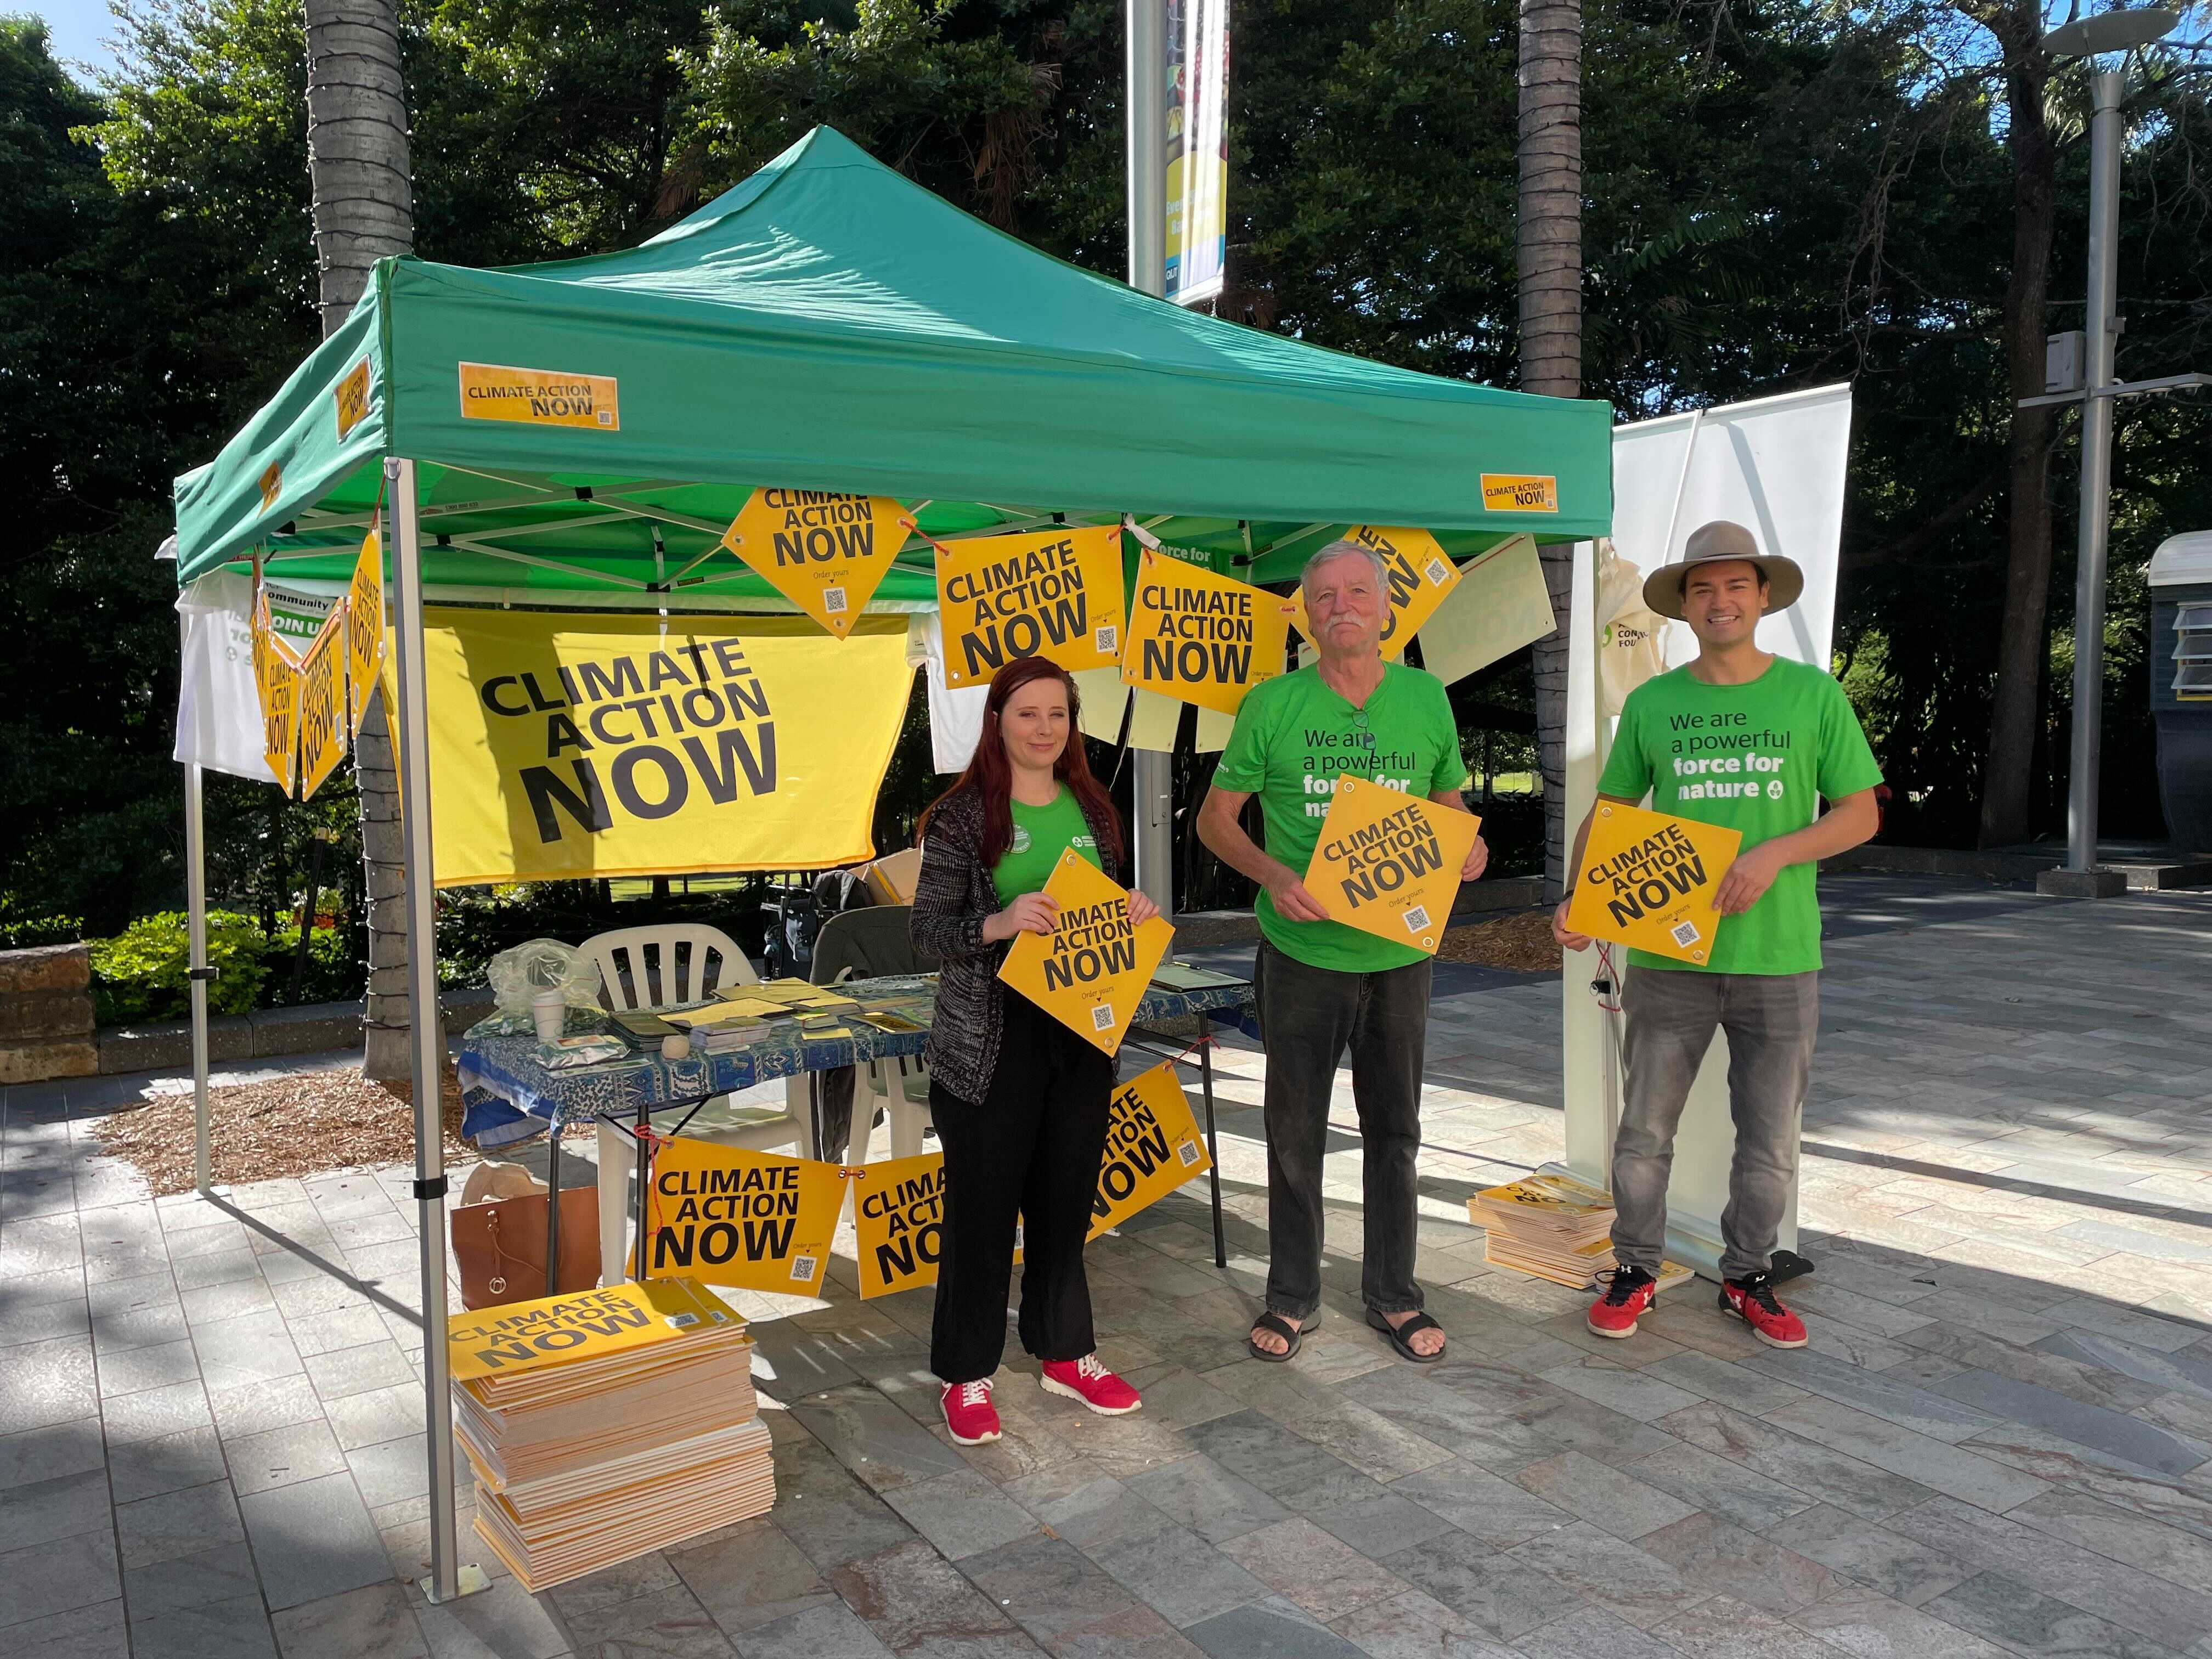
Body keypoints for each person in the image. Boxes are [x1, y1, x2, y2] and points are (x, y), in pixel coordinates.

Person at [1554, 521, 1882, 1348]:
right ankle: (1635, 1271)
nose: (1720, 600)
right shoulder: (1657, 703)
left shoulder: (1813, 695)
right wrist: (1578, 897)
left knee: (1770, 1144)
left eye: (1736, 585)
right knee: (1643, 1134)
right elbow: (1618, 810)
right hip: (1670, 955)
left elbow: (1860, 814)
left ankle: (1747, 1277)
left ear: (1763, 597)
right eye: (1704, 589)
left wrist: (1776, 852)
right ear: (1685, 606)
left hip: (1781, 957)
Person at [1199, 540, 1487, 1364]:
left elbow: (1449, 802)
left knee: (1395, 1128)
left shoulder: (1427, 698)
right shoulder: (1272, 704)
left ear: (1387, 608)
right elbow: (1216, 819)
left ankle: (1394, 1295)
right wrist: (1272, 873)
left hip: (1400, 951)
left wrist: (1469, 847)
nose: (1341, 607)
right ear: (1305, 612)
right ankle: (1292, 1296)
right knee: (1295, 1130)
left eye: (1358, 592)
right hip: (1300, 951)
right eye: (1324, 596)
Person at [909, 655, 1155, 1444]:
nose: (1044, 729)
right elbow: (925, 935)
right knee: (982, 1211)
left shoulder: (1094, 806)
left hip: (1081, 1032)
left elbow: (1102, 908)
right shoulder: (958, 817)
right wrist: (999, 921)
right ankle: (966, 1375)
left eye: (1058, 715)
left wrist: (1132, 909)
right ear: (997, 722)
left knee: (1064, 1203)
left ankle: (1065, 1353)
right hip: (992, 1038)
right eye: (1027, 714)